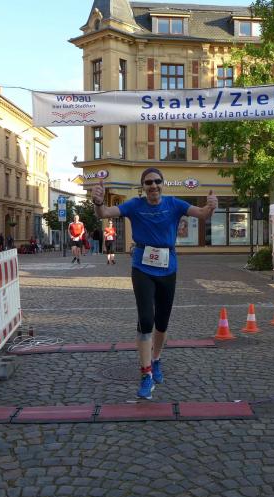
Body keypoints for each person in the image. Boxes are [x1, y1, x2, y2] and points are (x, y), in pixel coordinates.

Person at [92, 167, 217, 399]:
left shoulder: (174, 204)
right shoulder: (134, 205)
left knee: (162, 322)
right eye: (148, 182)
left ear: (163, 183)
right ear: (143, 187)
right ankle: (146, 374)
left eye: (157, 181)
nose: (153, 186)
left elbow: (202, 214)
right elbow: (104, 213)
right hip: (142, 267)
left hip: (168, 267)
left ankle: (156, 359)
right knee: (146, 320)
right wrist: (98, 202)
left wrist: (211, 206)